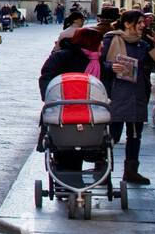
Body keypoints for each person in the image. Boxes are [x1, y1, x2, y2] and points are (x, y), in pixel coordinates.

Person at [102, 10, 155, 185]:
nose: (142, 25)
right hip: (116, 95)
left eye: (142, 22)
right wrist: (111, 66)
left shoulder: (143, 44)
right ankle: (103, 172)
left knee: (135, 135)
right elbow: (98, 63)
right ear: (127, 23)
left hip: (137, 94)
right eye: (139, 22)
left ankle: (131, 172)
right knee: (111, 136)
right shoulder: (111, 39)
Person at [38, 26, 111, 172]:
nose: (102, 45)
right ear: (90, 42)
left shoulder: (99, 63)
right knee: (66, 151)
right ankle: (70, 185)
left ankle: (73, 184)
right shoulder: (62, 57)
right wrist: (51, 98)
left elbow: (103, 86)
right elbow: (46, 78)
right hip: (64, 112)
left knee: (87, 145)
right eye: (100, 41)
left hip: (90, 115)